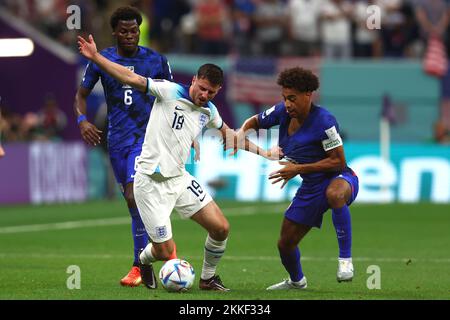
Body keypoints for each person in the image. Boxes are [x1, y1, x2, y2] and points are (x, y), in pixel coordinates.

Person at [77, 34, 274, 290]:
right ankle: (144, 261)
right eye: (201, 88)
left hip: (179, 180)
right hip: (149, 184)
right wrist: (96, 57)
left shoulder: (209, 111)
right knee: (163, 251)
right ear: (194, 80)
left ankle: (207, 278)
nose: (204, 95)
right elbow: (130, 77)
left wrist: (268, 153)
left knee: (221, 228)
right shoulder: (169, 91)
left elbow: (232, 137)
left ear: (218, 92)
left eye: (211, 92)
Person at [73, 6, 177, 287]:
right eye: (125, 31)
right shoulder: (101, 60)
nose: (130, 36)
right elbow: (80, 96)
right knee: (134, 205)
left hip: (147, 139)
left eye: (135, 31)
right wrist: (82, 120)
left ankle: (140, 264)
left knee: (135, 196)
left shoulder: (156, 61)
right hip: (117, 141)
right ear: (115, 32)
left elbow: (173, 100)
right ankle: (155, 255)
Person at [236, 67, 359, 289]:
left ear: (308, 95)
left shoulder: (325, 122)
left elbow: (338, 161)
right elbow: (254, 120)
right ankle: (296, 281)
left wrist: (297, 168)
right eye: (285, 98)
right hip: (311, 185)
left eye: (292, 98)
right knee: (285, 244)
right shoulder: (282, 112)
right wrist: (240, 133)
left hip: (339, 177)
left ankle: (345, 262)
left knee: (335, 194)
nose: (288, 104)